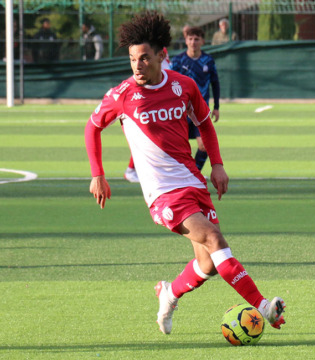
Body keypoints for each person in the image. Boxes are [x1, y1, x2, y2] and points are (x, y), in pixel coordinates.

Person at [85, 11, 286, 335]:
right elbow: (91, 128)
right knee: (214, 238)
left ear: (162, 56)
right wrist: (98, 173)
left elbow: (205, 123)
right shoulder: (122, 95)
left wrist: (217, 165)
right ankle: (263, 305)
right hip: (162, 193)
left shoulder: (183, 86)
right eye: (132, 59)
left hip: (193, 182)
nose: (137, 66)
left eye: (144, 58)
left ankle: (169, 293)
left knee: (207, 263)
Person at [169, 27, 220, 173]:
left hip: (199, 111)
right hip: (180, 112)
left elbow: (215, 83)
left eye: (196, 39)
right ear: (186, 41)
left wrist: (216, 107)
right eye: (190, 39)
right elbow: (168, 83)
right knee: (177, 147)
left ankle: (194, 173)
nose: (193, 42)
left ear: (202, 41)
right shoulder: (178, 61)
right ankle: (178, 175)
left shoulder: (208, 60)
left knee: (204, 145)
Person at [124, 46, 170, 183]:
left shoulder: (163, 55)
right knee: (146, 139)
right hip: (149, 103)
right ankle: (131, 170)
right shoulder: (154, 53)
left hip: (161, 103)